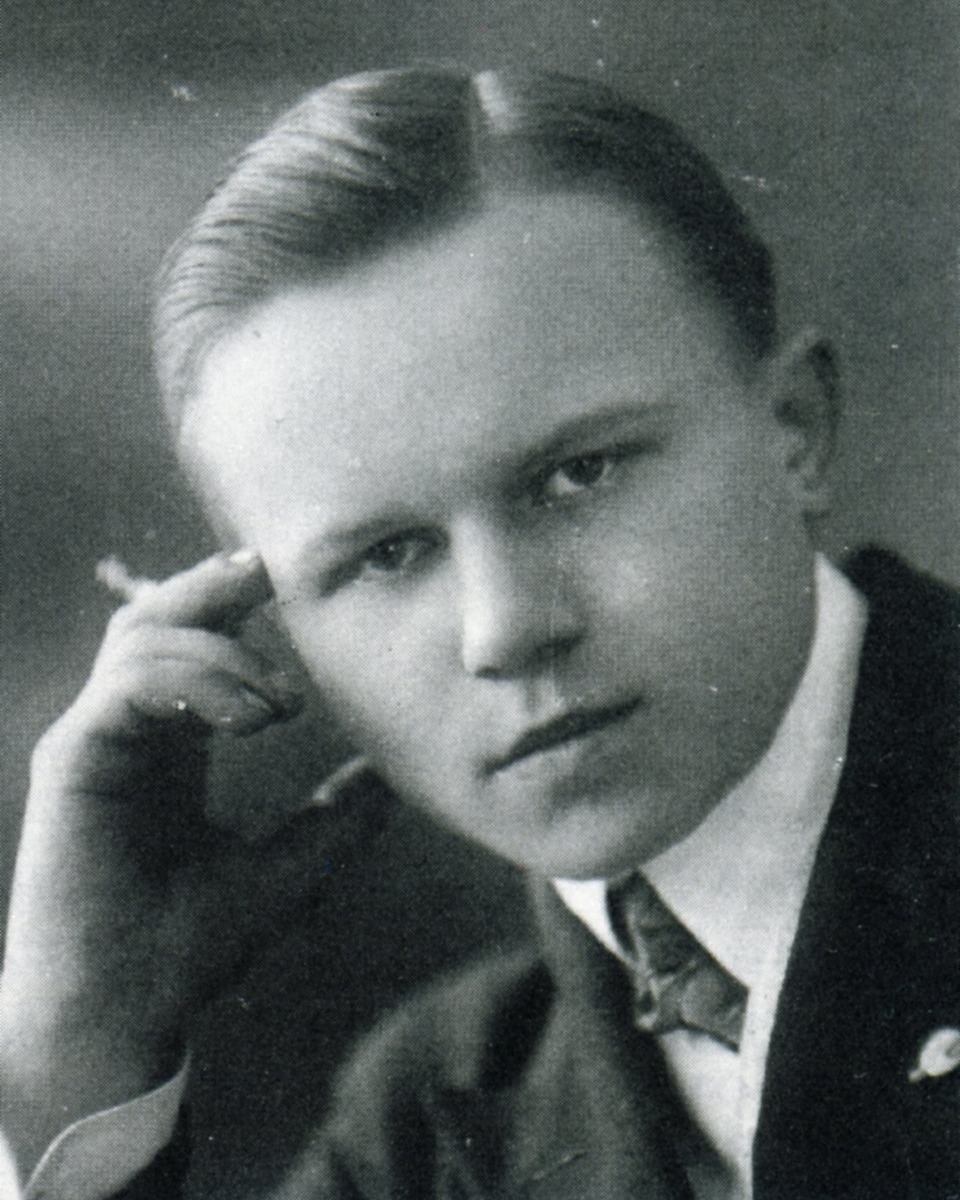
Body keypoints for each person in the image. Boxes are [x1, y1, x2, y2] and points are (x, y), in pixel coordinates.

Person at [1, 66, 957, 1200]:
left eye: (579, 474)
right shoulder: (426, 1117)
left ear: (794, 429)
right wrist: (76, 1045)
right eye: (387, 555)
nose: (505, 630)